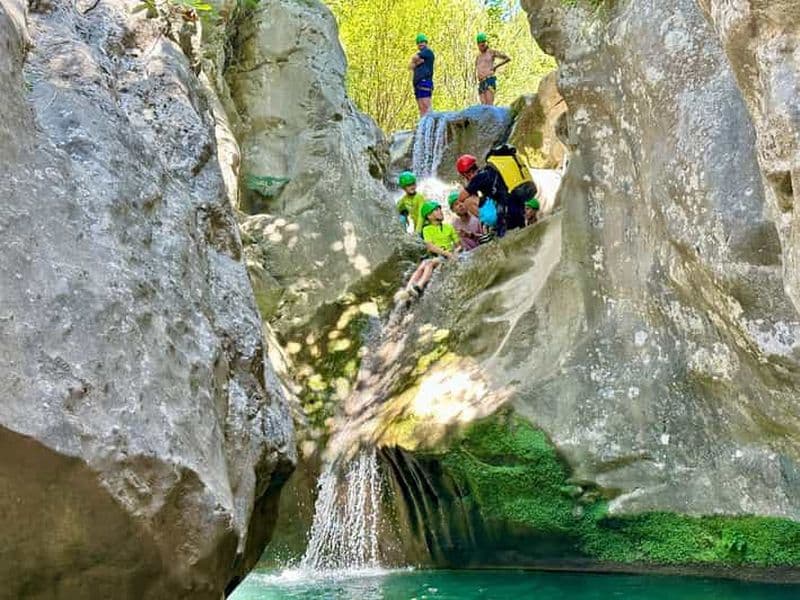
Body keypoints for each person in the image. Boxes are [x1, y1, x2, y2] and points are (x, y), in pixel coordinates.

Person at [454, 151, 536, 236]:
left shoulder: (477, 179)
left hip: (506, 216)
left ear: (466, 174)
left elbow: (461, 198)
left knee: (468, 201)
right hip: (519, 211)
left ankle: (492, 226)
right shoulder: (490, 171)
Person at [405, 201, 460, 296]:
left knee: (429, 263)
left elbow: (458, 244)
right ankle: (408, 289)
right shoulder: (426, 229)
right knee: (423, 264)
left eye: (440, 209)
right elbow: (430, 246)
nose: (440, 211)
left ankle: (420, 286)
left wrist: (454, 252)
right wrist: (446, 253)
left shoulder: (448, 227)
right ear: (429, 216)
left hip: (445, 257)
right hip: (439, 256)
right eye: (436, 210)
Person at [475, 32, 510, 106]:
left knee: (489, 105)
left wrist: (495, 67)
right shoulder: (478, 57)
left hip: (489, 80)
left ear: (486, 43)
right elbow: (477, 68)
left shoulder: (491, 52)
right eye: (480, 45)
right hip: (481, 82)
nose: (482, 47)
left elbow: (507, 58)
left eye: (483, 44)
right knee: (483, 106)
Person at [409, 33, 435, 116]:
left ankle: (429, 122)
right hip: (418, 84)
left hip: (425, 82)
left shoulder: (428, 52)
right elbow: (410, 66)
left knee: (426, 105)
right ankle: (423, 122)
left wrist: (416, 61)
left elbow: (414, 58)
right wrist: (417, 62)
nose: (420, 44)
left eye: (422, 42)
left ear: (426, 43)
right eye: (418, 42)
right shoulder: (421, 55)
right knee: (421, 107)